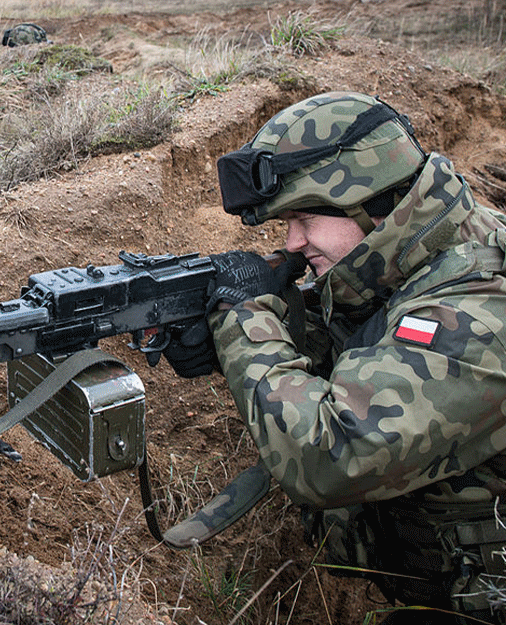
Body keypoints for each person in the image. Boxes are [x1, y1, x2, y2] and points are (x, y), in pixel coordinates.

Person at [164, 91, 506, 623]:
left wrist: (246, 323)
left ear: (375, 204)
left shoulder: (481, 310)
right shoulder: (421, 250)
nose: (291, 240)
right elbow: (370, 342)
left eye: (303, 217)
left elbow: (333, 456)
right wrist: (258, 336)